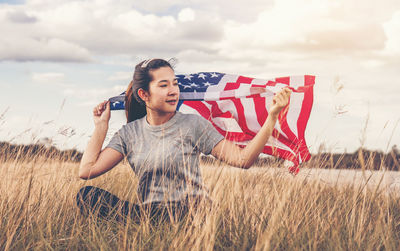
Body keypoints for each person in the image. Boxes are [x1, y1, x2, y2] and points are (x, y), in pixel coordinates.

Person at [76, 58, 291, 223]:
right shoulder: (129, 133)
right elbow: (86, 171)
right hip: (150, 214)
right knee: (87, 195)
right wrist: (100, 127)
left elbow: (243, 160)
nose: (173, 91)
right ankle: (148, 228)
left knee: (188, 210)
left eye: (175, 84)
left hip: (192, 211)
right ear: (143, 94)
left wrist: (272, 117)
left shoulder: (192, 125)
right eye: (163, 85)